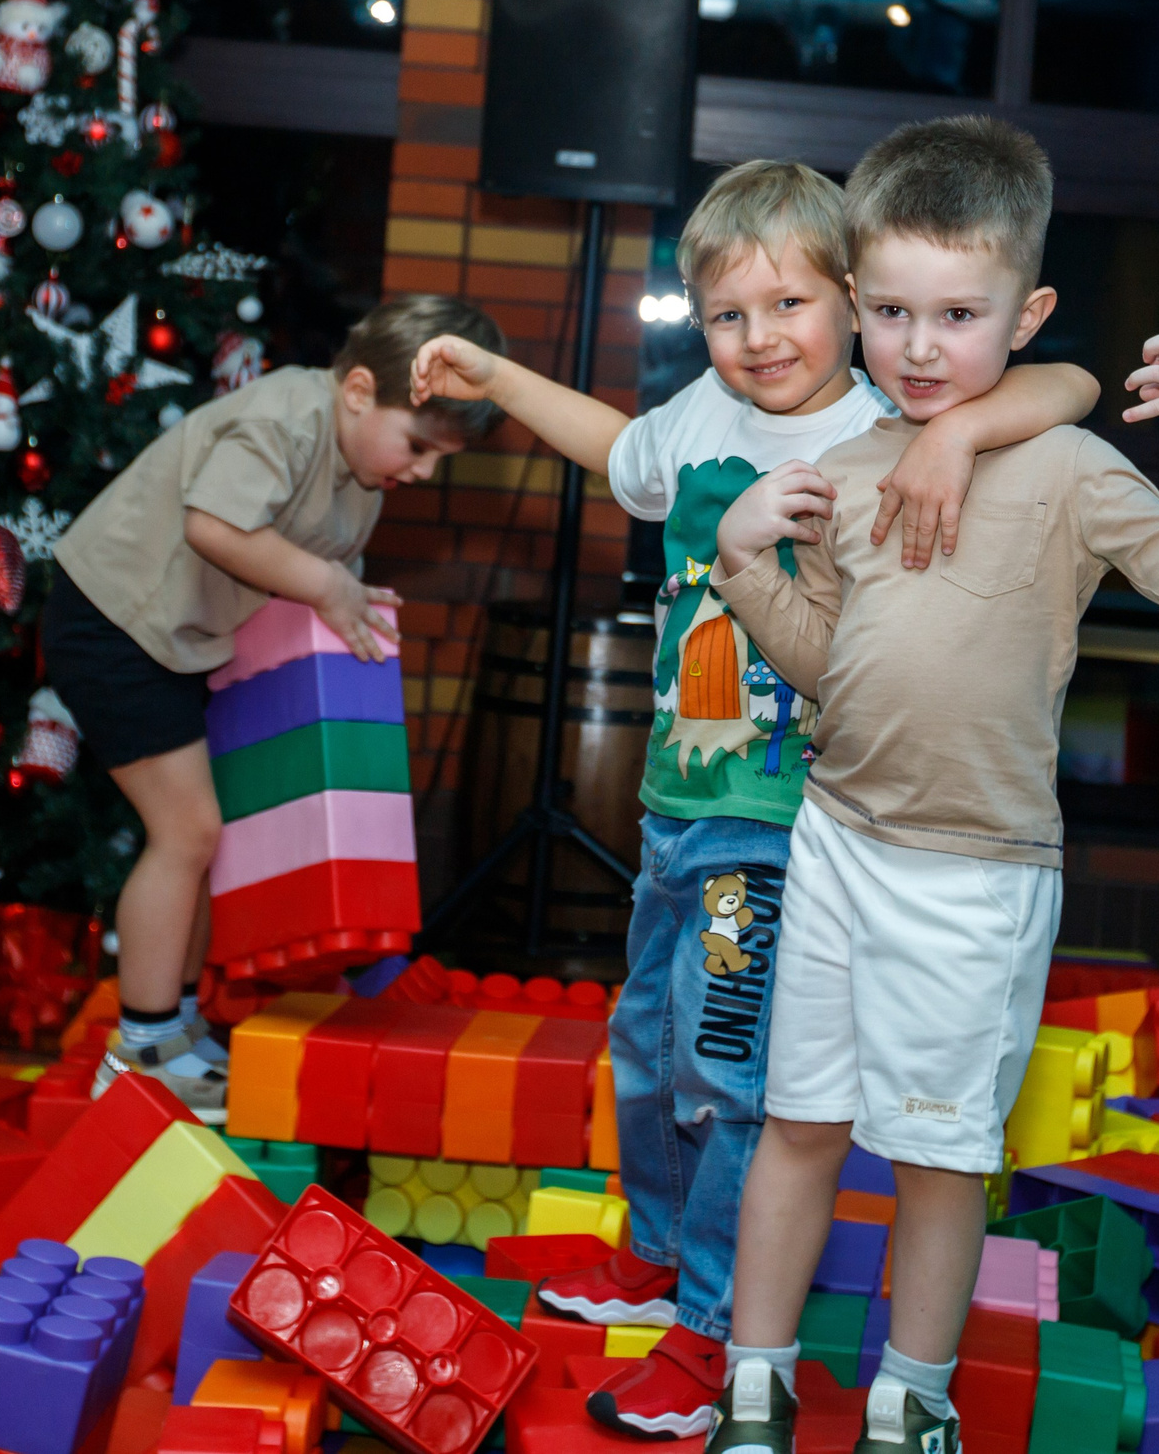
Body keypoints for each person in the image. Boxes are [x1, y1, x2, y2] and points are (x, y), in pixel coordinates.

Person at [410, 159, 1101, 1439]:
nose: (757, 338)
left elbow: (1064, 383)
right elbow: (610, 448)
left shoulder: (879, 427)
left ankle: (720, 1328)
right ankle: (664, 1253)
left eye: (788, 306)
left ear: (852, 301)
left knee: (731, 1074)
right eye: (727, 316)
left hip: (784, 827)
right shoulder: (695, 424)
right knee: (647, 1047)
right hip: (677, 807)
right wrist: (493, 377)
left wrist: (952, 429)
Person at [700, 115, 1159, 1453]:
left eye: (957, 314)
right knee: (799, 1123)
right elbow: (831, 673)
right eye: (889, 310)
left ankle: (913, 1396)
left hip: (979, 870)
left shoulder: (1067, 466)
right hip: (839, 841)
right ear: (853, 304)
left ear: (1027, 314)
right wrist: (743, 571)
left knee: (941, 1153)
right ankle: (754, 1379)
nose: (915, 346)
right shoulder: (842, 473)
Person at [46, 295, 507, 1120]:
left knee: (205, 834)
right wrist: (331, 585)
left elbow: (312, 583)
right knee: (185, 831)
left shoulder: (362, 473)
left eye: (443, 458)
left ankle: (176, 1027)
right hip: (116, 617)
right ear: (360, 389)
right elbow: (215, 525)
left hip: (181, 637)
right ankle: (137, 1049)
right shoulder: (287, 418)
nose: (424, 472)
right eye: (419, 446)